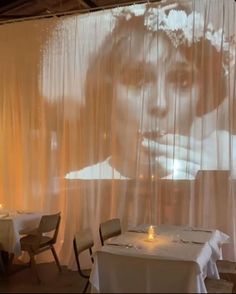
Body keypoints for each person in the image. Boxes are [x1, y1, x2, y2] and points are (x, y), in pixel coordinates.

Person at [65, 0, 234, 181]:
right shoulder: (81, 186)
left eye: (182, 81)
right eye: (138, 79)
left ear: (201, 95)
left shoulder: (226, 161)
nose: (160, 103)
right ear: (108, 93)